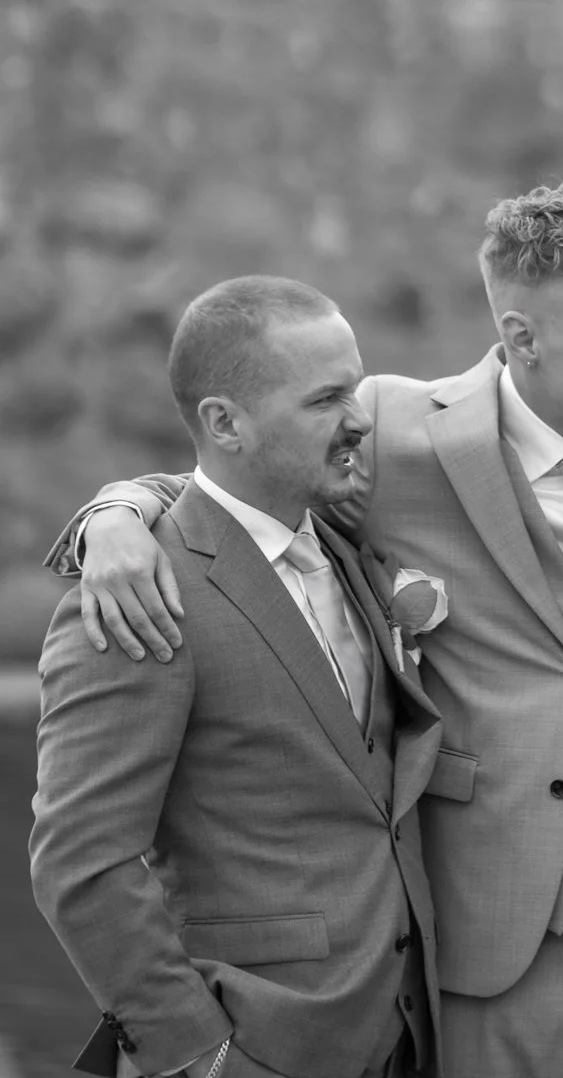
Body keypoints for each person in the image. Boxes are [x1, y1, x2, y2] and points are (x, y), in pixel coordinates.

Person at [50, 184, 563, 1078]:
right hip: (469, 960)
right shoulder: (390, 436)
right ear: (521, 336)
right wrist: (115, 514)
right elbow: (233, 483)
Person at [30, 275, 443, 1078]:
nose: (359, 419)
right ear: (225, 422)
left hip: (406, 1036)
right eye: (325, 400)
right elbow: (81, 863)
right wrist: (200, 1055)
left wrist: (118, 502)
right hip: (256, 1041)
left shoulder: (347, 540)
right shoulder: (138, 593)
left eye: (354, 388)